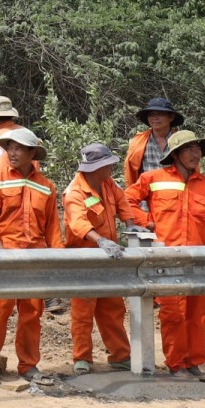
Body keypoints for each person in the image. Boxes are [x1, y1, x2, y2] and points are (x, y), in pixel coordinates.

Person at [127, 128, 205, 380]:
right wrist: (147, 221)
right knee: (173, 314)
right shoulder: (153, 178)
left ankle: (193, 363)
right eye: (189, 148)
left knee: (197, 314)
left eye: (198, 149)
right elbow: (126, 200)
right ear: (175, 154)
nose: (196, 153)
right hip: (167, 261)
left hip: (198, 261)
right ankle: (176, 364)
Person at [0, 126, 60, 386]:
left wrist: (58, 261)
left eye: (18, 148)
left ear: (32, 152)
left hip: (34, 259)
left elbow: (53, 228)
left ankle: (29, 366)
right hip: (3, 255)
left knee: (31, 313)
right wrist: (1, 254)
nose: (11, 153)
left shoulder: (47, 186)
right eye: (9, 147)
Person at [63, 142, 132, 376]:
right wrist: (100, 240)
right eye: (107, 165)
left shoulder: (108, 184)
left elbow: (122, 202)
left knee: (113, 308)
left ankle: (121, 356)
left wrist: (131, 225)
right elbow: (78, 222)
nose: (111, 169)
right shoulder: (75, 192)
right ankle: (82, 357)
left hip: (108, 257)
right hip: (84, 259)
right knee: (83, 311)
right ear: (94, 168)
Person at [125, 97, 184, 189]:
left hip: (176, 197)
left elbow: (191, 169)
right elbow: (131, 172)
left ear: (171, 117)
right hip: (146, 198)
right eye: (151, 114)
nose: (155, 118)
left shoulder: (181, 141)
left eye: (160, 114)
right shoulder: (139, 141)